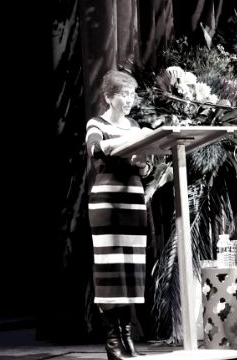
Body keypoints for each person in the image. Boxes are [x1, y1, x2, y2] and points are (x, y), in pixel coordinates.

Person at [85, 70, 153, 360]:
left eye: (132, 94)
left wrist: (143, 163)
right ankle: (113, 341)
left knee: (130, 272)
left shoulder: (134, 125)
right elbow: (95, 149)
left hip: (133, 202)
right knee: (111, 272)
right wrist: (128, 145)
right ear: (108, 97)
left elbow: (144, 169)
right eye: (123, 94)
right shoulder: (97, 123)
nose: (129, 100)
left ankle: (127, 338)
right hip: (108, 204)